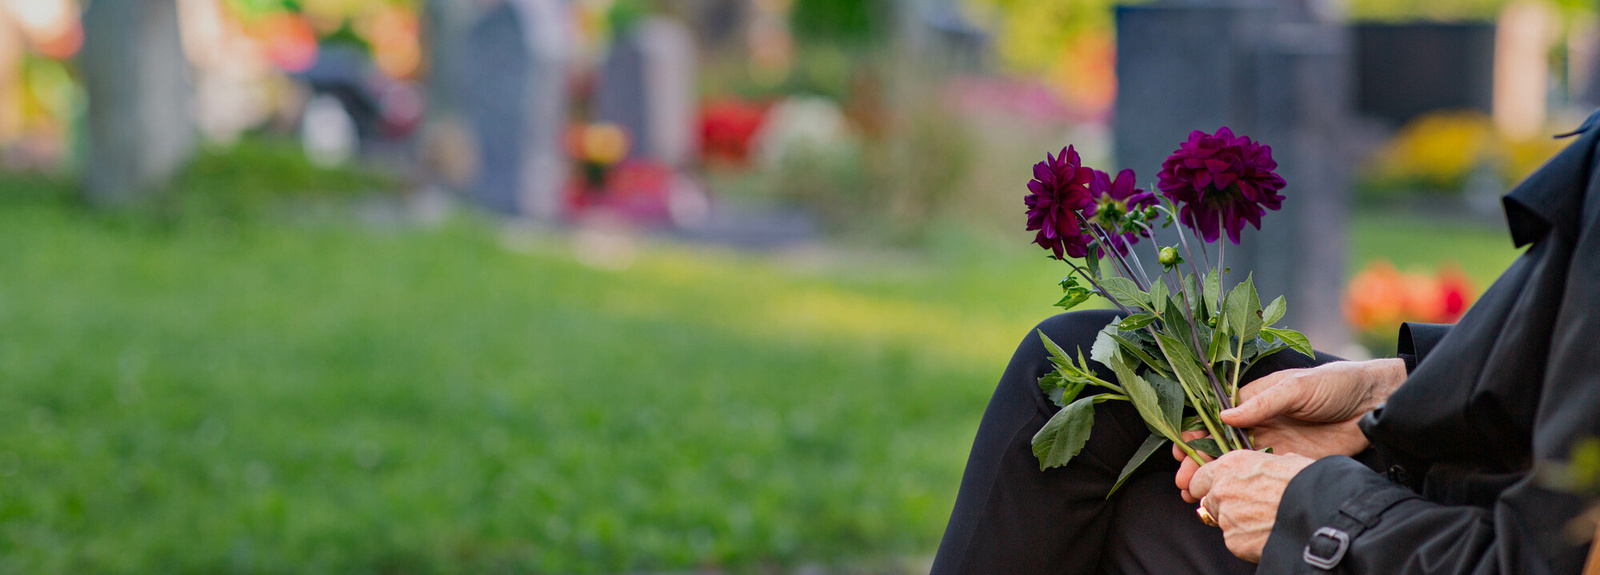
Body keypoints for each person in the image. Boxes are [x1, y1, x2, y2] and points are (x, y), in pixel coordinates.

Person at [931, 115, 1600, 574]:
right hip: (1470, 470)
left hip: (1447, 535)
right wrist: (1393, 384)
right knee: (1079, 365)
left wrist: (1317, 512)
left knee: (1130, 513)